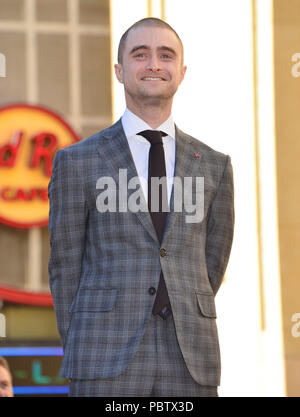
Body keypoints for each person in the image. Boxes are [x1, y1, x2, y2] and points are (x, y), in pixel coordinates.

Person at [48, 17, 234, 397]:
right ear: (119, 70)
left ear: (181, 72)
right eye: (140, 54)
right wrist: (85, 339)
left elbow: (211, 265)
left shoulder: (215, 165)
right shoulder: (77, 162)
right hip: (103, 358)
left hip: (190, 360)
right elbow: (65, 267)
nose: (153, 64)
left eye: (165, 55)